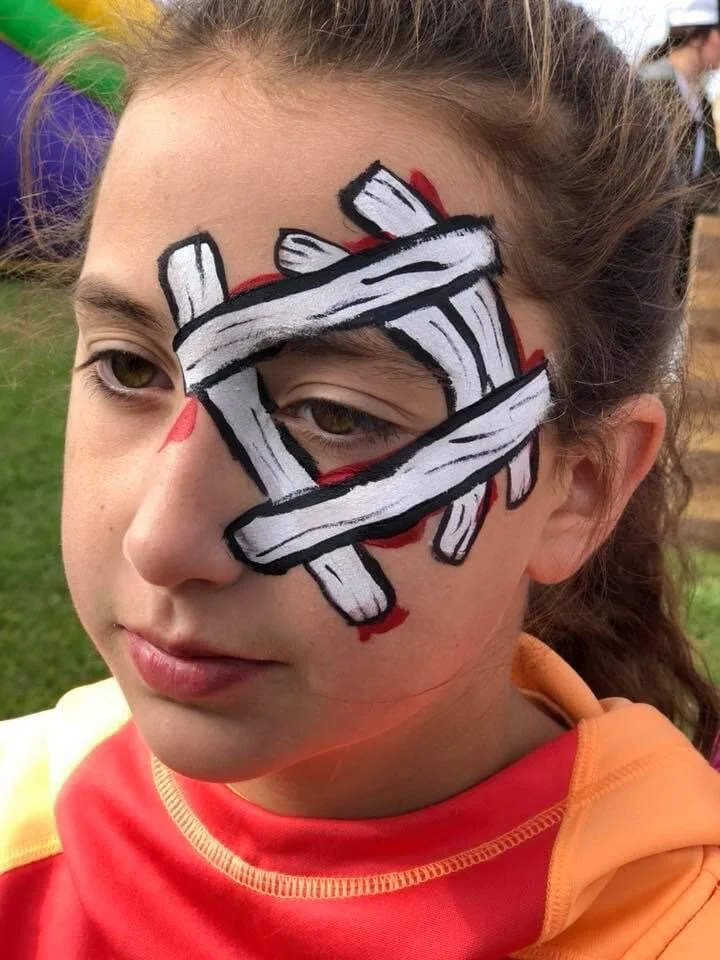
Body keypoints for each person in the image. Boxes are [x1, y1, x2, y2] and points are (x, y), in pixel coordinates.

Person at [1, 1, 719, 957]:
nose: (161, 542)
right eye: (130, 368)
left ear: (579, 488)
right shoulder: (23, 817)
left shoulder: (673, 925)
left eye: (337, 415)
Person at [641, 0, 720, 292]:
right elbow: (656, 185)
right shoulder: (653, 87)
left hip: (678, 263)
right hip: (649, 262)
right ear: (700, 36)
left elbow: (711, 179)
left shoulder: (699, 100)